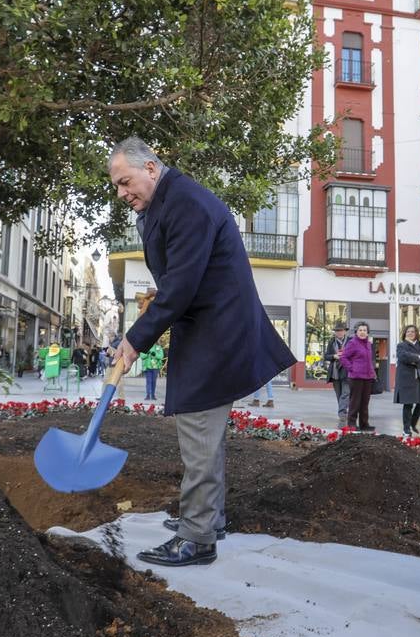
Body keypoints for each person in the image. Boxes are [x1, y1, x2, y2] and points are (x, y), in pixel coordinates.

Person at [110, 137, 295, 567]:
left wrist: (136, 338)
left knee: (198, 429)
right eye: (117, 186)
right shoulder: (169, 201)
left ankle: (197, 537)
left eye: (125, 182)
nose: (121, 193)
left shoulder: (186, 202)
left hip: (218, 333)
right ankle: (210, 519)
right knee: (203, 433)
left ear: (151, 168)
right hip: (209, 328)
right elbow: (181, 278)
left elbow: (181, 286)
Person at [336, 322, 377, 432]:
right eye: (360, 330)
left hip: (368, 377)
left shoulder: (368, 344)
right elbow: (343, 357)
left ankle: (364, 424)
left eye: (364, 330)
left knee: (365, 402)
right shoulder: (353, 343)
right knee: (355, 401)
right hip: (356, 377)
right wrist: (352, 368)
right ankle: (352, 424)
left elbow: (369, 360)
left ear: (367, 332)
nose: (362, 332)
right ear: (356, 332)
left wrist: (373, 372)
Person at [395, 324, 420, 436]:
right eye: (408, 331)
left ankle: (413, 423)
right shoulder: (401, 345)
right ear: (405, 333)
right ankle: (406, 429)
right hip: (406, 378)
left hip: (418, 378)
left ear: (416, 334)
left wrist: (415, 360)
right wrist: (418, 357)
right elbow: (403, 357)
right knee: (408, 404)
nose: (410, 333)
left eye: (413, 332)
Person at [322, 321, 351, 425]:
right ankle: (343, 411)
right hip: (335, 372)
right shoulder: (331, 342)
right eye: (337, 331)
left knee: (346, 393)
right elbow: (326, 356)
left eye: (341, 330)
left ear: (344, 331)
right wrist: (334, 356)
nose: (339, 332)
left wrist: (345, 356)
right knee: (339, 394)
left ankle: (342, 413)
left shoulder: (350, 341)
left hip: (347, 371)